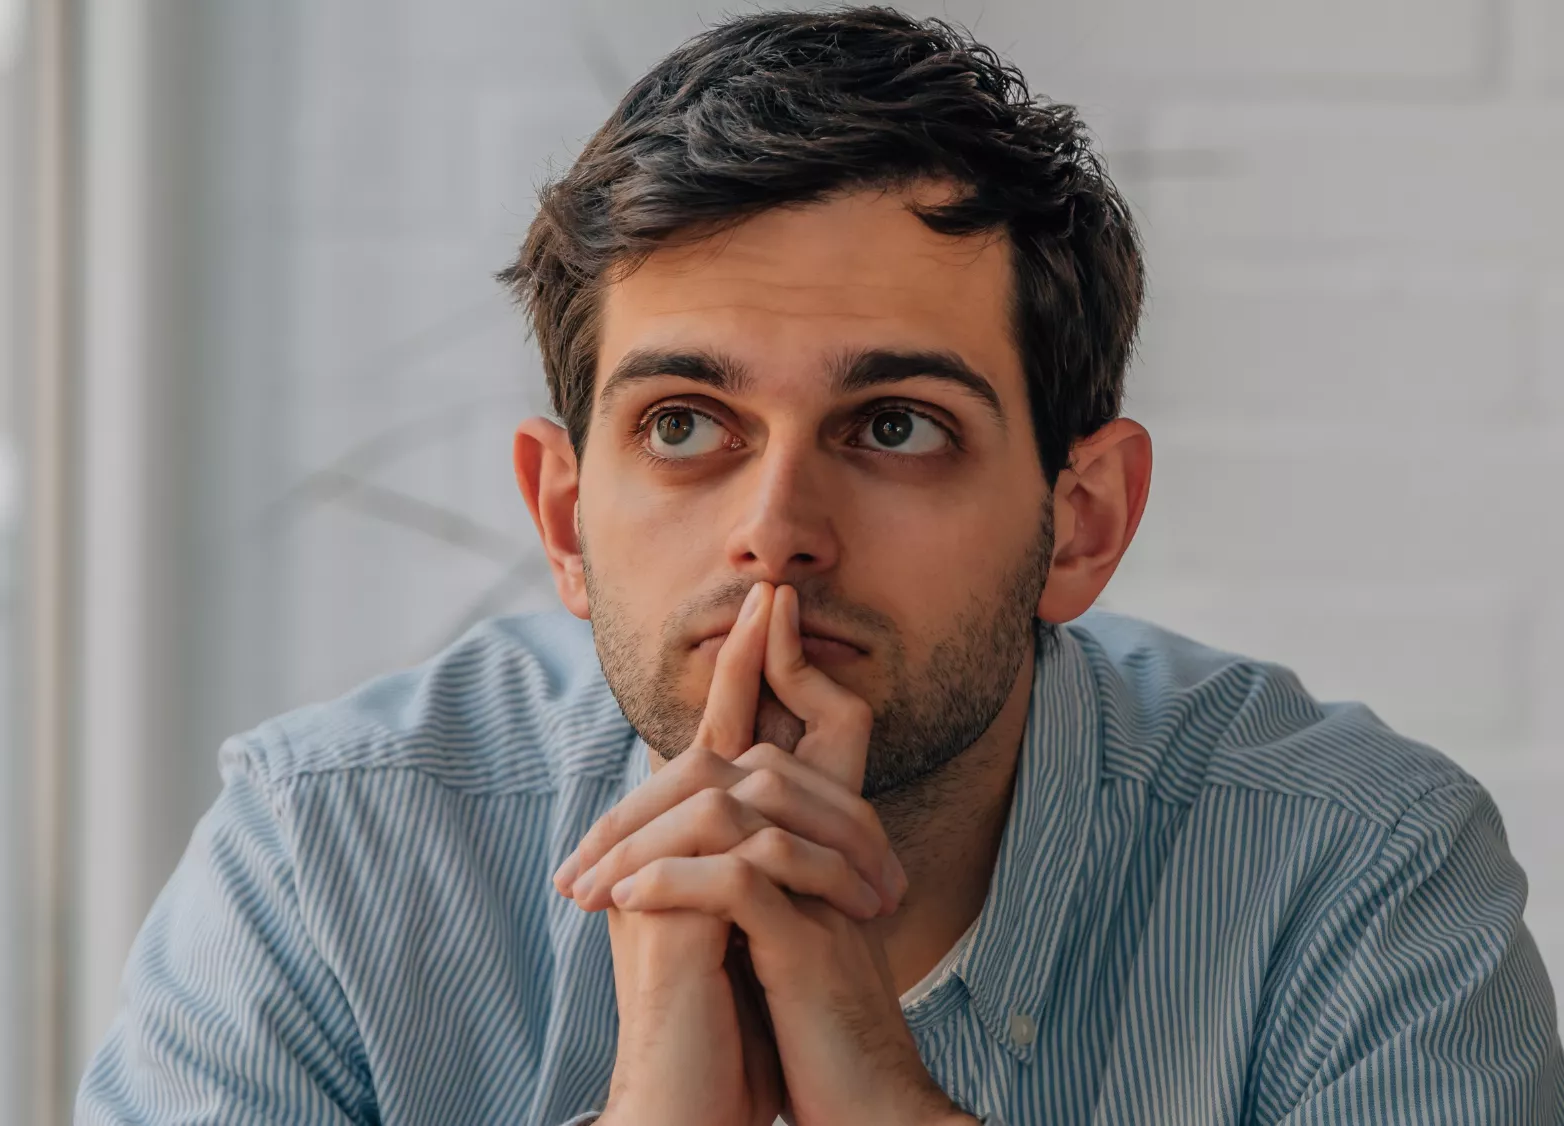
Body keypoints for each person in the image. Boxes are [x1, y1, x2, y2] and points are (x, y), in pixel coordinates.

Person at [76, 9, 1563, 1124]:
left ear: (1085, 518)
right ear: (562, 515)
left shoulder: (1354, 870)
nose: (777, 529)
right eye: (684, 423)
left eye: (897, 425)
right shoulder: (332, 855)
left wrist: (870, 1075)